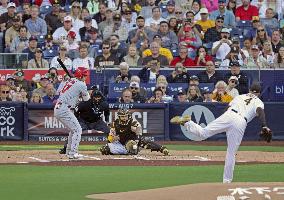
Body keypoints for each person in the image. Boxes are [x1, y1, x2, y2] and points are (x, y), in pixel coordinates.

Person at [171, 83, 272, 183]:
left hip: (229, 114)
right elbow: (260, 111)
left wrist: (224, 122)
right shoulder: (258, 101)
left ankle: (188, 123)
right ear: (259, 92)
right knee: (231, 153)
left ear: (250, 89)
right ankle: (226, 182)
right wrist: (264, 125)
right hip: (240, 121)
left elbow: (227, 108)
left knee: (203, 133)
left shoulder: (239, 97)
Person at [59, 89, 110, 154]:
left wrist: (107, 122)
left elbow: (107, 113)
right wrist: (76, 120)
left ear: (101, 97)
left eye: (98, 97)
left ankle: (111, 147)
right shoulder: (85, 103)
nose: (97, 99)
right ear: (92, 97)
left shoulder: (104, 104)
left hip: (97, 122)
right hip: (84, 121)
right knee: (74, 132)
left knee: (109, 131)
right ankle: (65, 148)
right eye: (95, 97)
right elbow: (76, 110)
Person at [54, 67, 90, 159]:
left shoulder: (71, 80)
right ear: (81, 76)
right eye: (85, 75)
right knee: (78, 130)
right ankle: (73, 153)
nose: (86, 77)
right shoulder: (81, 84)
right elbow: (87, 100)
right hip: (64, 108)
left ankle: (69, 151)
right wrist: (84, 89)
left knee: (73, 130)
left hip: (60, 107)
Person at [99, 108, 169, 156]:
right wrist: (113, 138)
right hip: (120, 143)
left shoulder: (133, 123)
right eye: (122, 116)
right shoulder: (115, 124)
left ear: (128, 116)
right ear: (119, 117)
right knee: (105, 149)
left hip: (132, 141)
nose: (124, 118)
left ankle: (161, 148)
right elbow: (110, 139)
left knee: (141, 143)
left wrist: (136, 141)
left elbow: (138, 132)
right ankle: (124, 151)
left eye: (126, 116)